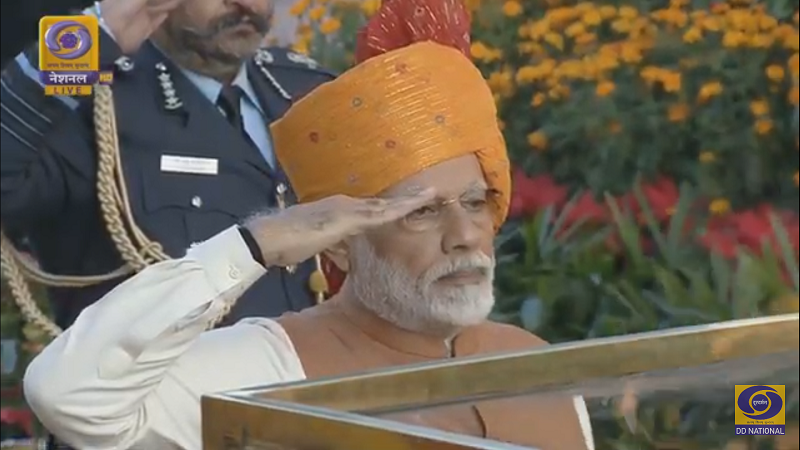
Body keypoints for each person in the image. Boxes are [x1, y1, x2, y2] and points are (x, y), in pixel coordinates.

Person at [23, 0, 596, 448]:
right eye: (421, 210)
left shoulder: (304, 90)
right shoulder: (99, 96)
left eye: (476, 204)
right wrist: (87, 40)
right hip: (184, 404)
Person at [0, 0, 334, 331]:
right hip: (169, 380)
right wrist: (87, 39)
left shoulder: (302, 85)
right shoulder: (88, 100)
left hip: (312, 373)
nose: (245, 4)